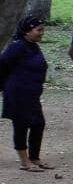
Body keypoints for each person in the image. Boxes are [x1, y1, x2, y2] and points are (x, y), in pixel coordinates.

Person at [0, 16, 54, 171]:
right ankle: (25, 161)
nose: (42, 33)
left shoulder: (33, 46)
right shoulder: (16, 47)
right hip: (17, 94)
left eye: (42, 29)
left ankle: (35, 158)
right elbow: (2, 65)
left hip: (32, 95)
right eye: (39, 30)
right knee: (21, 125)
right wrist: (5, 86)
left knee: (38, 124)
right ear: (26, 32)